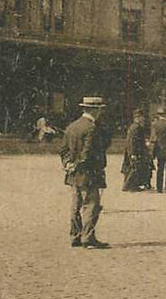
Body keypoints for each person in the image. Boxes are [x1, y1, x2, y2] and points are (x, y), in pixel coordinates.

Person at [59, 96, 111, 248]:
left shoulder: (72, 126)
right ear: (94, 110)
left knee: (75, 205)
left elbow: (63, 150)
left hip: (74, 175)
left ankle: (75, 236)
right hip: (89, 172)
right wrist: (78, 164)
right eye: (100, 110)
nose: (101, 113)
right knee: (91, 205)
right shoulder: (92, 128)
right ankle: (88, 237)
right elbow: (87, 152)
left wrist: (68, 163)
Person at [149, 107, 166, 193]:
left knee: (160, 169)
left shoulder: (154, 124)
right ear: (165, 115)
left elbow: (153, 139)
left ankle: (159, 188)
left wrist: (152, 151)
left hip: (159, 150)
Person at [122, 110, 152, 192]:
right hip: (135, 151)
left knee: (133, 168)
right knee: (134, 168)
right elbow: (132, 142)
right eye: (141, 117)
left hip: (135, 151)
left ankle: (133, 185)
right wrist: (132, 153)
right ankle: (127, 186)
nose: (143, 119)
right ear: (138, 118)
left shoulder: (134, 127)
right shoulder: (136, 128)